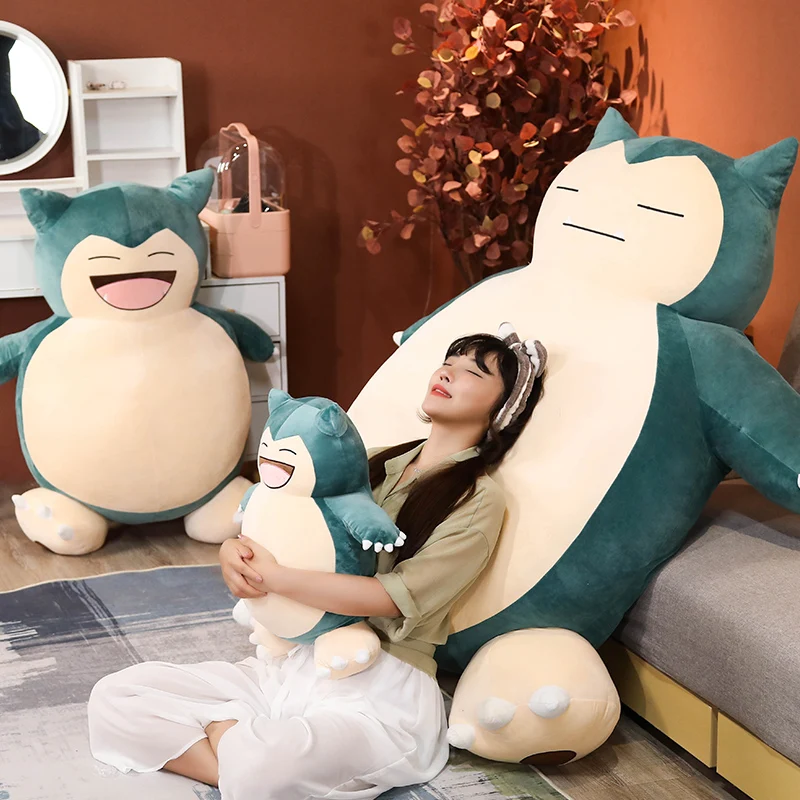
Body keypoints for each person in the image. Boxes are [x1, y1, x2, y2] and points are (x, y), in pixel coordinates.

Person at [87, 324, 547, 800]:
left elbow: (391, 597)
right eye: (447, 363)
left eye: (472, 371)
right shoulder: (368, 462)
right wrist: (232, 552)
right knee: (117, 696)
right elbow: (277, 521)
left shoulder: (478, 499)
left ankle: (233, 741)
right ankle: (238, 746)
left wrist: (276, 578)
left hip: (380, 688)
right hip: (293, 661)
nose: (447, 373)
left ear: (502, 409)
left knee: (266, 765)